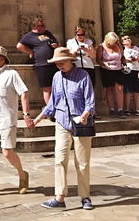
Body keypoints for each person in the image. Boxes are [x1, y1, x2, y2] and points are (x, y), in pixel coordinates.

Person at [34, 47, 95, 211]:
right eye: (57, 63)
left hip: (81, 124)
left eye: (61, 62)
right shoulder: (56, 77)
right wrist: (38, 119)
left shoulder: (83, 76)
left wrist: (85, 114)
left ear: (70, 61)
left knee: (82, 162)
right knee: (59, 160)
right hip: (61, 123)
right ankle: (59, 197)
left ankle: (85, 197)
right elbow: (53, 103)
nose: (59, 66)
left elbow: (90, 101)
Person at [0, 45, 32, 199]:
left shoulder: (12, 74)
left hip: (7, 118)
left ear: (2, 59)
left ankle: (23, 176)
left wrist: (26, 113)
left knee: (7, 152)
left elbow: (24, 93)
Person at [17, 17, 59, 105]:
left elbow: (56, 42)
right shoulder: (29, 36)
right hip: (42, 64)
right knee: (47, 88)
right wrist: (30, 52)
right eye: (42, 25)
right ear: (35, 27)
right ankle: (50, 110)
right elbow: (19, 46)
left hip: (54, 63)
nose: (44, 27)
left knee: (56, 86)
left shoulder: (47, 33)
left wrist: (56, 45)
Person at [97, 32, 125, 118]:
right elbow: (98, 59)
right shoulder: (101, 47)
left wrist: (125, 63)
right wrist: (104, 64)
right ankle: (112, 109)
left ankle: (120, 109)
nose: (114, 44)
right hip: (107, 69)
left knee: (119, 88)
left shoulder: (118, 45)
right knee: (109, 89)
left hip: (118, 69)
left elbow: (122, 57)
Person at [121, 35, 139, 116]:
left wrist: (138, 59)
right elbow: (121, 58)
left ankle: (137, 109)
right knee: (127, 90)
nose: (127, 40)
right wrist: (129, 59)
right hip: (127, 70)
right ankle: (126, 109)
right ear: (123, 42)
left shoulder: (136, 48)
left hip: (136, 69)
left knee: (136, 90)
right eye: (125, 39)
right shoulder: (123, 49)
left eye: (128, 38)